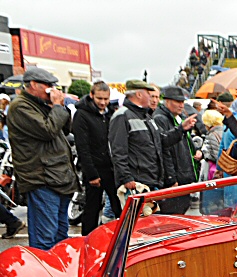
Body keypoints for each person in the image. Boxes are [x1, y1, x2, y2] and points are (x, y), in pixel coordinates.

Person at [6, 68, 77, 250]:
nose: (53, 89)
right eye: (48, 86)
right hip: (42, 179)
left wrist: (61, 107)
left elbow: (65, 129)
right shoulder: (21, 107)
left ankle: (58, 273)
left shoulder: (43, 105)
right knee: (45, 237)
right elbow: (47, 130)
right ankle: (44, 274)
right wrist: (58, 107)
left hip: (58, 177)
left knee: (60, 234)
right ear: (34, 86)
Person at [109, 79, 196, 215]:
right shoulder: (122, 116)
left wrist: (181, 129)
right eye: (150, 94)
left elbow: (161, 141)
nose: (153, 99)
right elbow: (118, 151)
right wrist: (126, 178)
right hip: (138, 184)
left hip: (151, 181)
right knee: (140, 226)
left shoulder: (147, 117)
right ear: (139, 94)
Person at [73, 80, 119, 235]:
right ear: (92, 95)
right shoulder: (82, 115)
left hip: (110, 166)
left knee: (118, 204)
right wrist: (91, 173)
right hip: (94, 167)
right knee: (92, 207)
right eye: (99, 99)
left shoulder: (110, 113)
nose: (103, 102)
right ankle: (87, 239)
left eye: (106, 99)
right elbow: (82, 147)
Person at [153, 86, 200, 213]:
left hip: (182, 175)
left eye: (182, 102)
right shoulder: (160, 118)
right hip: (175, 178)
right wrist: (171, 178)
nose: (181, 105)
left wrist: (196, 150)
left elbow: (185, 142)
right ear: (167, 101)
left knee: (182, 209)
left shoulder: (176, 118)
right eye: (177, 102)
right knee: (173, 214)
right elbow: (165, 150)